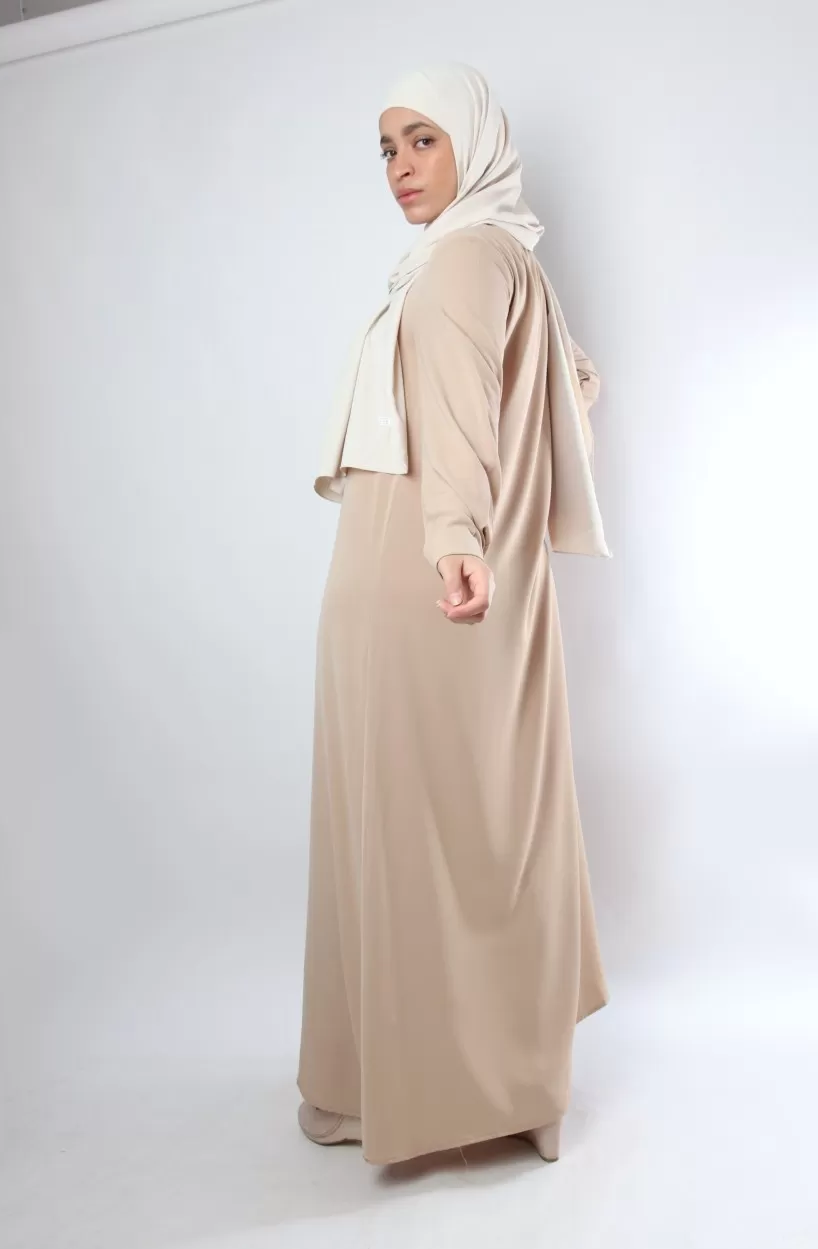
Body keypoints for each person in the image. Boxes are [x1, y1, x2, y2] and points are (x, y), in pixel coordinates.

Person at [297, 62, 612, 1167]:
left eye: (422, 139)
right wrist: (480, 534)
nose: (399, 166)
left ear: (473, 142)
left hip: (422, 582)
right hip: (452, 575)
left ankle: (394, 1088)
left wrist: (455, 540)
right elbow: (569, 388)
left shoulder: (465, 260)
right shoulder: (505, 259)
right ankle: (496, 1081)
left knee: (423, 834)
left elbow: (459, 408)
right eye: (386, 148)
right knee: (480, 825)